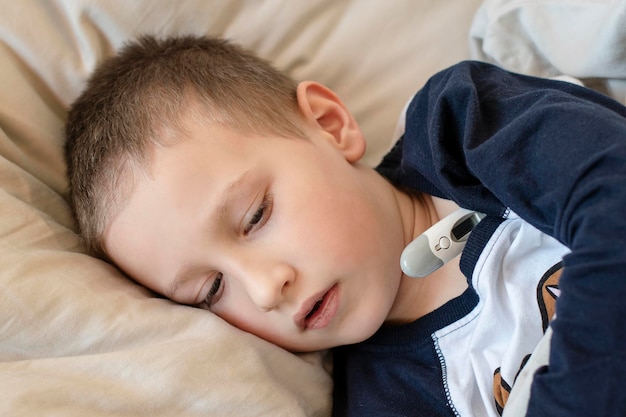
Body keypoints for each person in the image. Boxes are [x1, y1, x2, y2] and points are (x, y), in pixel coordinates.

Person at [64, 35, 626, 417]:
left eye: (255, 216)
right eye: (210, 292)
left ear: (330, 127)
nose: (263, 290)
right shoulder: (386, 398)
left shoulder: (459, 129)